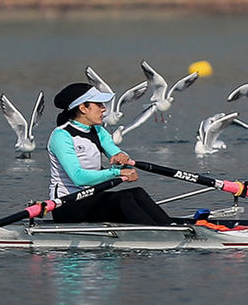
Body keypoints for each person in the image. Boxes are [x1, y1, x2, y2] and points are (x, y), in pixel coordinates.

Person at [46, 82, 176, 225]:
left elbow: (118, 156)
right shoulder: (61, 136)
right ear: (83, 108)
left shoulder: (99, 131)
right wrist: (116, 173)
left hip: (91, 201)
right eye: (99, 104)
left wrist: (122, 158)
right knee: (122, 199)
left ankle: (170, 226)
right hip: (67, 206)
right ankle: (159, 235)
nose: (104, 109)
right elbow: (78, 178)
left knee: (137, 193)